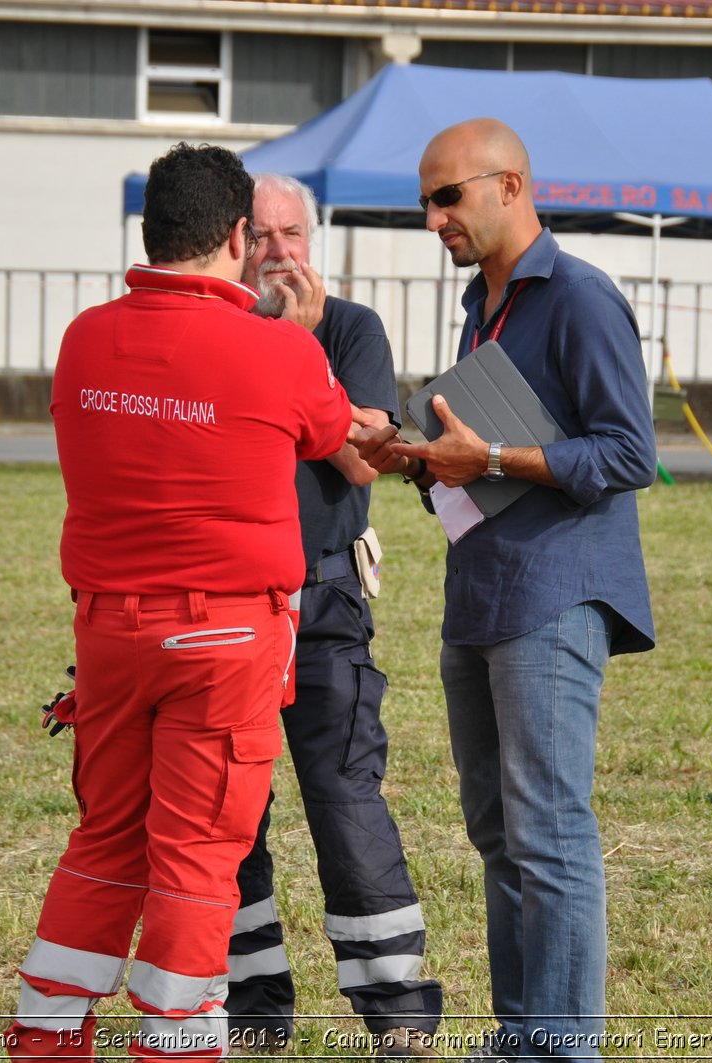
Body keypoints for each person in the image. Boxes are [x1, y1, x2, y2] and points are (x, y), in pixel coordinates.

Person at [7, 143, 353, 1061]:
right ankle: (178, 1041)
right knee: (199, 850)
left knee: (107, 836)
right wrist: (302, 332)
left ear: (150, 233)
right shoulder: (280, 349)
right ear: (239, 236)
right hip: (228, 631)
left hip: (110, 630)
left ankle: (46, 1035)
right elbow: (327, 428)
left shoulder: (86, 337)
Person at [351, 119, 657, 1062]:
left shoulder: (580, 297)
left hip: (553, 595)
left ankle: (561, 1048)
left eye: (449, 196)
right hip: (482, 588)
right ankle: (523, 1035)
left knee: (548, 830)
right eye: (425, 202)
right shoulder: (482, 306)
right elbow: (478, 461)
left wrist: (483, 454)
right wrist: (414, 457)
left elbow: (630, 452)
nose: (433, 216)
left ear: (511, 187)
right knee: (498, 829)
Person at [225, 173, 443, 1059]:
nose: (280, 252)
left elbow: (366, 462)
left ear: (313, 240)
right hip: (233, 602)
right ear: (235, 240)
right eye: (264, 235)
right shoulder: (215, 330)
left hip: (322, 598)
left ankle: (398, 1019)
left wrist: (298, 351)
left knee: (345, 799)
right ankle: (252, 1009)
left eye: (294, 234)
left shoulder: (351, 328)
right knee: (229, 812)